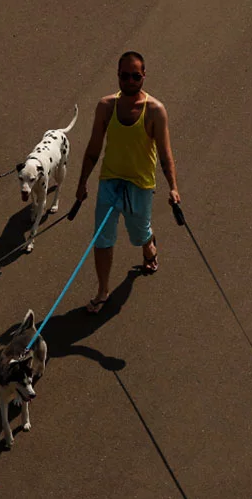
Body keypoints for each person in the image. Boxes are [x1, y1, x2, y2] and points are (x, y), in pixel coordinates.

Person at [75, 51, 180, 314]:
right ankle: (102, 291)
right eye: (125, 75)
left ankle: (148, 246)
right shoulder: (106, 106)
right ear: (118, 76)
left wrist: (173, 187)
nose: (130, 80)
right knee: (103, 239)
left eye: (136, 76)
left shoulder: (155, 110)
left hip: (140, 186)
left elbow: (166, 155)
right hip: (110, 183)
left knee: (138, 234)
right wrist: (82, 183)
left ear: (144, 76)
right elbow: (93, 149)